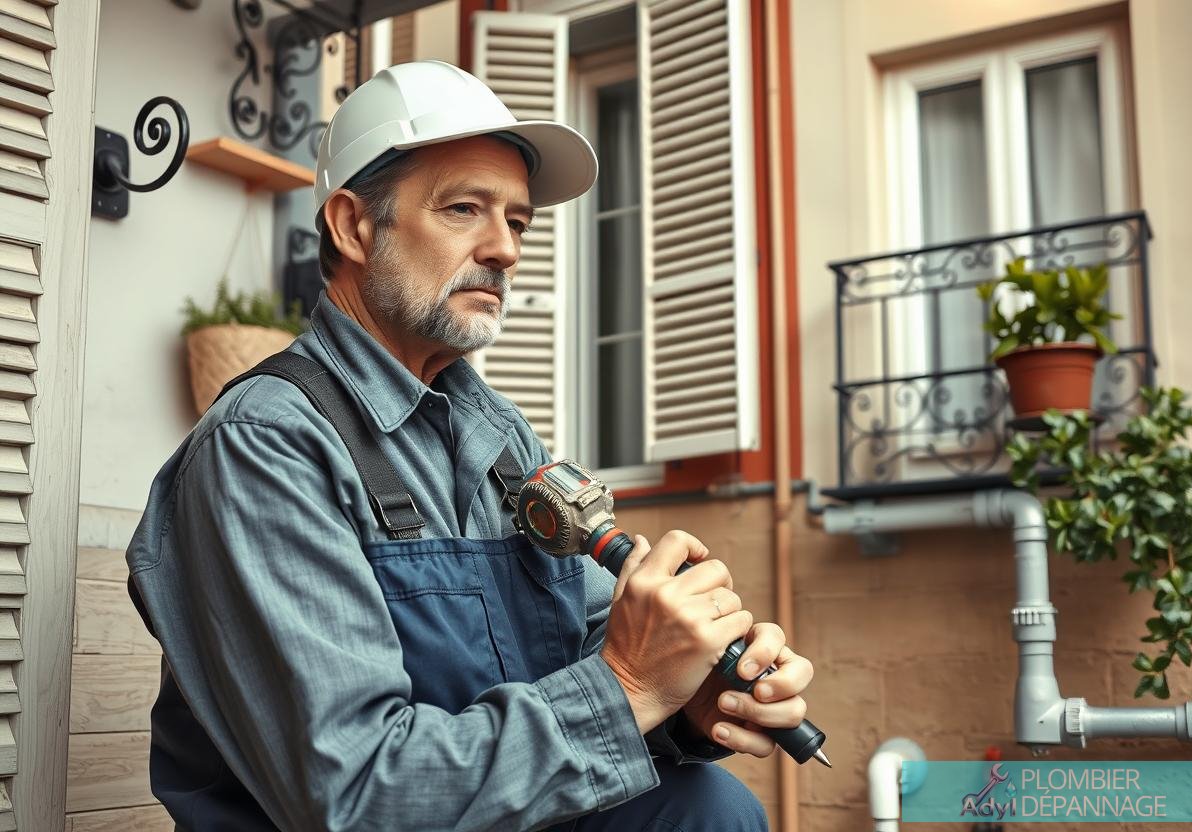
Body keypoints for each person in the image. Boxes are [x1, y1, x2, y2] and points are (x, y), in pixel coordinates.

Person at [127, 60, 815, 831]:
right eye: (464, 210)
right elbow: (351, 795)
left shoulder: (503, 442)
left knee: (703, 808)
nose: (505, 250)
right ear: (354, 225)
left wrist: (685, 699)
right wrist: (627, 687)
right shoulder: (268, 445)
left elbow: (587, 653)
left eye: (517, 222)